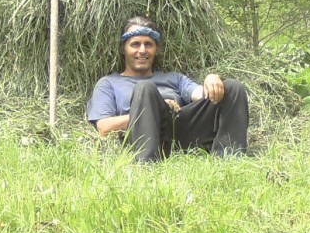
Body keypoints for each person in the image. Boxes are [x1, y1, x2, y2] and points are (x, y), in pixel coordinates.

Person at [86, 16, 250, 162]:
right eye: (135, 44)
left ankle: (230, 157)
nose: (142, 50)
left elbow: (202, 95)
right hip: (145, 137)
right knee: (145, 88)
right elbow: (104, 127)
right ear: (124, 49)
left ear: (156, 50)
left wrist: (213, 79)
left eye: (148, 44)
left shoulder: (173, 78)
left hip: (181, 131)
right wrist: (151, 111)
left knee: (232, 87)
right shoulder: (108, 83)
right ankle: (145, 163)